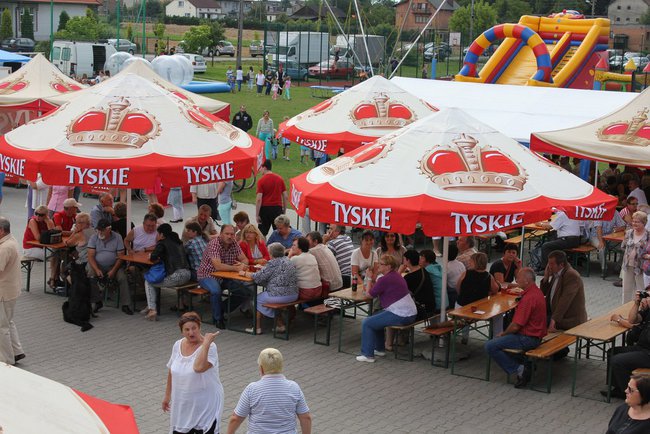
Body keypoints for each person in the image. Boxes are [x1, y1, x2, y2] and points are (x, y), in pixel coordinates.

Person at [484, 267, 547, 388]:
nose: (516, 280)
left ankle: (520, 370)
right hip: (536, 335)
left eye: (518, 278)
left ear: (527, 281)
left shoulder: (528, 298)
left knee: (490, 345)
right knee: (503, 342)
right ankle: (525, 363)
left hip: (527, 338)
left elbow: (515, 326)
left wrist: (503, 334)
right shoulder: (537, 292)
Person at [163, 312, 224, 434]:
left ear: (199, 327)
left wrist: (205, 344)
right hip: (183, 405)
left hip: (205, 406)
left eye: (194, 328)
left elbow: (198, 368)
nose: (191, 332)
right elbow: (171, 370)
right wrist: (167, 395)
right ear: (182, 331)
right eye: (186, 330)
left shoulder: (210, 347)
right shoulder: (177, 345)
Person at [226, 348, 311, 434]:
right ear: (281, 366)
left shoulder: (252, 389)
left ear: (261, 368)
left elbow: (236, 419)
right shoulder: (294, 387)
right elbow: (306, 417)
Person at [356, 254, 417, 363]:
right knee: (375, 317)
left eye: (381, 264)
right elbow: (376, 289)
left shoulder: (384, 279)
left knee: (367, 322)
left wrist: (369, 278)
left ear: (388, 266)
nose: (378, 265)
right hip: (409, 312)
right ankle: (379, 349)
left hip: (402, 314)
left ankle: (367, 355)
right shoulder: (395, 275)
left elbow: (369, 295)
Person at [196, 224, 250, 329]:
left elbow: (245, 259)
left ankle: (221, 309)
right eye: (227, 234)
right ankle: (218, 319)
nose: (230, 236)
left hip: (225, 276)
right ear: (221, 234)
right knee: (216, 291)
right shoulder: (214, 244)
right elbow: (218, 266)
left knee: (244, 292)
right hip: (207, 275)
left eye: (232, 234)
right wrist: (236, 268)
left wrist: (242, 265)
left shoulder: (234, 243)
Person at [240, 243, 298, 334]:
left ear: (271, 253)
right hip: (294, 294)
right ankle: (280, 325)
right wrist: (264, 269)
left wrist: (243, 273)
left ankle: (257, 328)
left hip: (281, 296)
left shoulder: (272, 263)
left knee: (257, 300)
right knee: (265, 300)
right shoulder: (288, 260)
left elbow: (257, 277)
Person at [143, 224, 191, 321]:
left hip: (176, 276)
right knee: (155, 281)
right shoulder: (178, 241)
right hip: (187, 274)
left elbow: (153, 257)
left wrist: (153, 256)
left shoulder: (162, 243)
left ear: (161, 234)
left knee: (149, 281)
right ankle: (151, 305)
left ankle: (152, 309)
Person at [607, 291, 650, 399]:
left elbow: (636, 328)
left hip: (648, 353)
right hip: (642, 347)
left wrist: (619, 320)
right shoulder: (648, 310)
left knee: (617, 360)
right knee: (612, 352)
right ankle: (618, 388)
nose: (646, 299)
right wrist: (636, 303)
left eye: (648, 296)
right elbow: (632, 320)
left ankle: (631, 395)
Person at [86, 218, 133, 315]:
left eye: (102, 230)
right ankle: (97, 301)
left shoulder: (117, 237)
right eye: (99, 230)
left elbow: (120, 256)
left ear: (109, 229)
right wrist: (96, 269)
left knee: (122, 277)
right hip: (98, 264)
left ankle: (126, 304)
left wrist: (113, 270)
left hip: (114, 265)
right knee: (91, 274)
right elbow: (90, 256)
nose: (100, 232)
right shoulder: (94, 237)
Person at [539, 250, 587, 332]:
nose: (549, 267)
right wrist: (546, 277)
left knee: (534, 323)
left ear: (561, 264)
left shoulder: (572, 276)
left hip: (568, 319)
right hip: (554, 314)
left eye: (551, 264)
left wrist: (553, 321)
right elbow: (543, 293)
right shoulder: (556, 272)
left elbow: (565, 301)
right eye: (548, 263)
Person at [0, 217, 25, 365]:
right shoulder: (11, 240)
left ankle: (6, 359)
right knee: (8, 322)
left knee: (1, 327)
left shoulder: (4, 248)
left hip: (3, 292)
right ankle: (17, 351)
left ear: (1, 231)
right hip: (11, 290)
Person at [622, 211, 650, 303]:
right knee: (626, 290)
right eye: (633, 221)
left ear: (644, 223)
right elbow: (623, 246)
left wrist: (647, 256)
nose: (634, 223)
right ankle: (625, 308)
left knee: (641, 290)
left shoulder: (648, 235)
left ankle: (642, 308)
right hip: (628, 265)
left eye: (637, 222)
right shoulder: (629, 233)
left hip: (641, 267)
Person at [589, 211, 626, 276]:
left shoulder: (615, 212)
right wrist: (601, 241)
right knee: (602, 248)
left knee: (625, 248)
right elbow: (598, 229)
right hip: (596, 236)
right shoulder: (599, 212)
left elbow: (623, 226)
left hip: (609, 237)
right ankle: (604, 269)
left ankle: (618, 267)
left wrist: (615, 230)